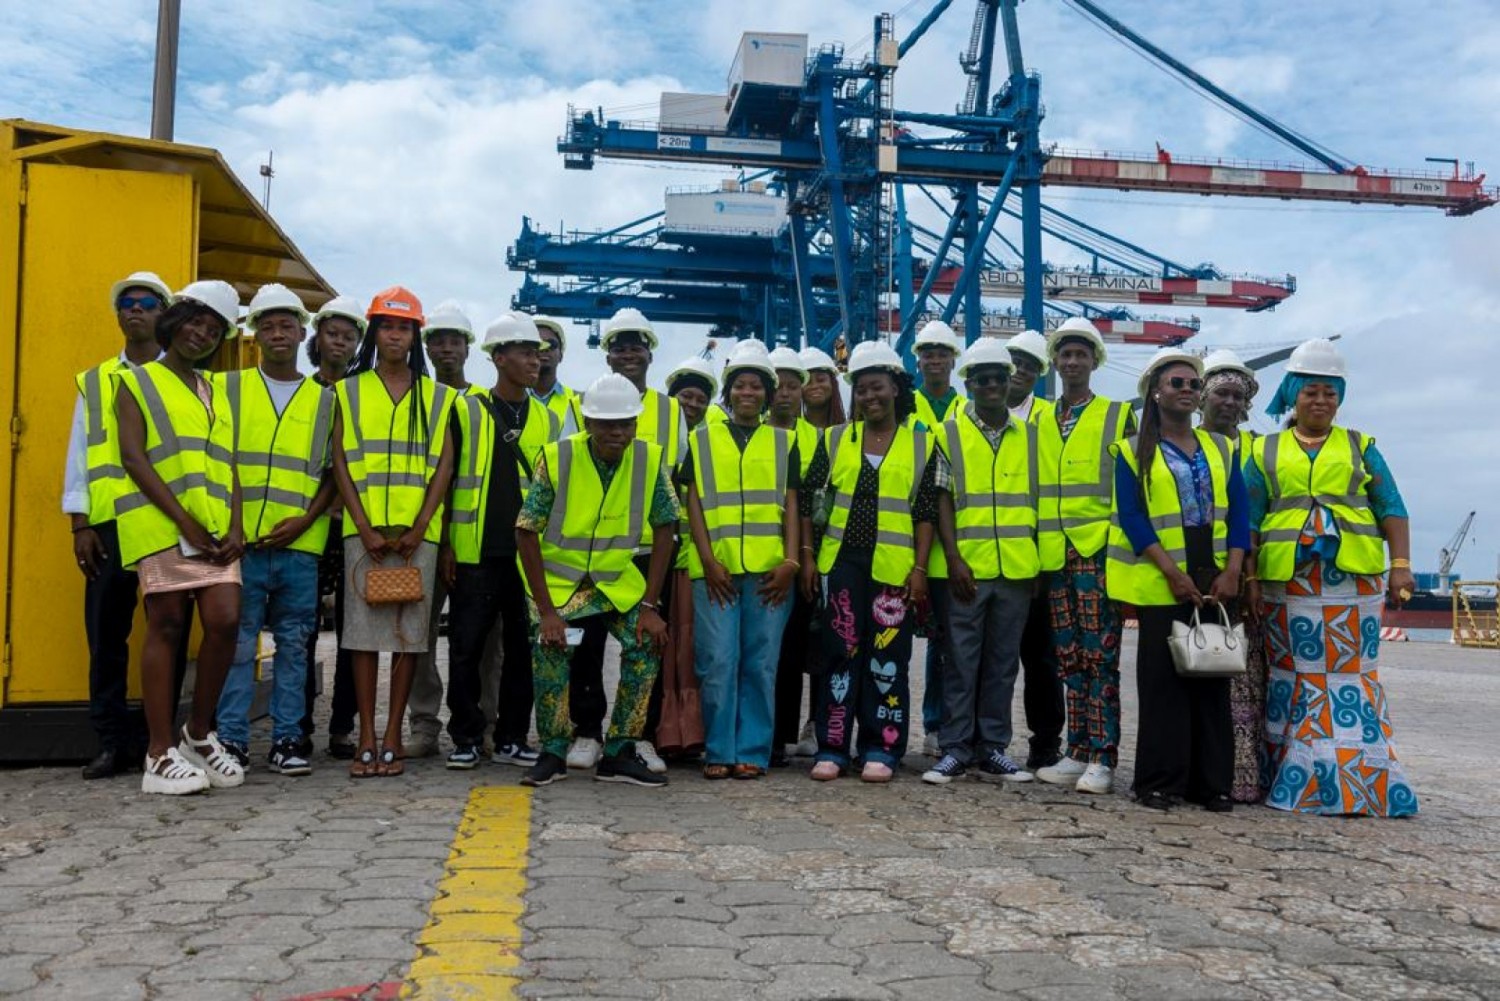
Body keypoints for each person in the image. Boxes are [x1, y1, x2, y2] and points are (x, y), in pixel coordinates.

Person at [1246, 338, 1418, 817]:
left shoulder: (1361, 447)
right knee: (1297, 677)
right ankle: (1296, 779)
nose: (1320, 401)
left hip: (1353, 585)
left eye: (1329, 392)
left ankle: (1360, 784)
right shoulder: (1264, 451)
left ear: (1340, 397)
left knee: (1350, 679)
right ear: (1292, 395)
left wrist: (1400, 568)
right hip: (1289, 585)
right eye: (1310, 392)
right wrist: (1250, 580)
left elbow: (1392, 509)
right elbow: (1249, 519)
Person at [114, 280, 245, 795]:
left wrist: (236, 526)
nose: (201, 334)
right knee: (166, 624)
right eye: (195, 322)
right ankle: (158, 752)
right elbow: (133, 457)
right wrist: (183, 522)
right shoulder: (138, 382)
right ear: (174, 321)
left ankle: (197, 733)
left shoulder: (214, 390)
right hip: (163, 522)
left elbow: (227, 463)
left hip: (214, 529)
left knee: (226, 620)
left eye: (213, 330)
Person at [516, 373, 677, 789]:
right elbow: (526, 531)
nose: (617, 432)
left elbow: (665, 528)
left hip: (613, 582)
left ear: (636, 425)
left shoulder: (648, 459)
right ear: (588, 423)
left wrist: (650, 606)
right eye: (607, 424)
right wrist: (548, 612)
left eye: (625, 423)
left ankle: (620, 750)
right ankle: (553, 750)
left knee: (646, 643)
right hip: (559, 584)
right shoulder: (557, 457)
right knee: (550, 650)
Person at [1108, 348, 1249, 812]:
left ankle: (1212, 784)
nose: (1188, 391)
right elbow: (1133, 517)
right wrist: (1172, 573)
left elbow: (1240, 513)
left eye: (1193, 385)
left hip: (1216, 576)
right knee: (1163, 682)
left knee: (1213, 677)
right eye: (1178, 384)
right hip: (1160, 577)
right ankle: (1159, 781)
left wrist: (1233, 570)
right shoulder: (1131, 452)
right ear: (1155, 392)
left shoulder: (1223, 448)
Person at [801, 341, 941, 783]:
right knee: (840, 654)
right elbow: (808, 501)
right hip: (842, 565)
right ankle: (833, 744)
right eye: (860, 389)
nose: (869, 397)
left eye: (877, 387)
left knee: (888, 659)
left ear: (896, 388)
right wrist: (807, 557)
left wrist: (919, 570)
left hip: (894, 571)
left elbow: (926, 512)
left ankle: (883, 746)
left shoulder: (923, 444)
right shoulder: (835, 439)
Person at [331, 287, 457, 778]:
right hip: (362, 536)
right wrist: (361, 526)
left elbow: (443, 465)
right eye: (387, 325)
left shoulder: (439, 397)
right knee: (362, 640)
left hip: (414, 538)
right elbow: (339, 460)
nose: (395, 334)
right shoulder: (346, 390)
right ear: (374, 332)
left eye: (404, 327)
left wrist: (421, 527)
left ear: (415, 335)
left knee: (407, 639)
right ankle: (365, 735)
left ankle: (392, 736)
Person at [215, 285, 337, 776]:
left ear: (301, 332)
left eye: (287, 325)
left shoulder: (326, 401)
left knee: (294, 645)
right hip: (240, 544)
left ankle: (289, 739)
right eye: (268, 325)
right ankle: (232, 739)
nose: (278, 333)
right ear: (255, 333)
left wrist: (307, 520)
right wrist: (234, 527)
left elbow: (334, 475)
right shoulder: (229, 388)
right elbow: (217, 463)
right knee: (239, 645)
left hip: (300, 546)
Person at [565, 308, 687, 774]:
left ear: (650, 352)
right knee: (587, 645)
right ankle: (587, 731)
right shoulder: (581, 404)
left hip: (642, 553)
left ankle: (638, 736)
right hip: (592, 553)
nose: (628, 351)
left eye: (637, 344)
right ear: (607, 353)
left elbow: (672, 482)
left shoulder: (670, 410)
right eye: (619, 344)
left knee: (645, 645)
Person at [923, 339, 1048, 785]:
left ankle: (993, 747)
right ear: (970, 384)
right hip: (966, 570)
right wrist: (953, 557)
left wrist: (1038, 564)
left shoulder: (1032, 436)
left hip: (1016, 568)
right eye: (984, 379)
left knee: (1002, 662)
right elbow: (940, 500)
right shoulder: (949, 433)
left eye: (1000, 377)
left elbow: (1042, 502)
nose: (993, 385)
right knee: (959, 660)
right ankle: (955, 747)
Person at [441, 313, 559, 769]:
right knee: (466, 647)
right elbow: (447, 478)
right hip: (475, 550)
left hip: (529, 554)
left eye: (538, 353)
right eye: (526, 352)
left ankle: (512, 736)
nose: (535, 361)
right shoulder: (467, 409)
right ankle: (466, 737)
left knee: (523, 649)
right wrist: (448, 544)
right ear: (498, 357)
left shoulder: (549, 420)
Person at [65, 270, 170, 780]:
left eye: (146, 302)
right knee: (106, 638)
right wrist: (79, 523)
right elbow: (79, 456)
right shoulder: (95, 380)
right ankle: (110, 741)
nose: (134, 309)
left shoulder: (182, 379)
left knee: (166, 632)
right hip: (108, 527)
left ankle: (160, 740)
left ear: (162, 314)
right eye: (126, 303)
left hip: (164, 528)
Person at [684, 342, 800, 779]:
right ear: (728, 393)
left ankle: (753, 748)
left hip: (769, 571)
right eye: (740, 386)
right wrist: (708, 559)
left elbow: (791, 503)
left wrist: (790, 561)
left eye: (756, 386)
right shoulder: (700, 439)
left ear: (767, 394)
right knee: (717, 661)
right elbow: (692, 502)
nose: (747, 393)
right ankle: (719, 749)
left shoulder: (784, 442)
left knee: (760, 663)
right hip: (716, 571)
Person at [1034, 318, 1133, 795]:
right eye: (1065, 355)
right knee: (1068, 657)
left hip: (1097, 553)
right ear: (1054, 362)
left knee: (1100, 658)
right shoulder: (1037, 419)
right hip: (1054, 556)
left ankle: (1103, 756)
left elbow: (1133, 489)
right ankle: (1075, 751)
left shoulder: (1118, 416)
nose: (1072, 362)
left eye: (1081, 354)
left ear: (1095, 361)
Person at [407, 300, 482, 758]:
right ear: (427, 347)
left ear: (468, 349)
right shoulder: (415, 398)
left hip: (470, 540)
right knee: (418, 636)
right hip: (425, 535)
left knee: (480, 644)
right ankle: (424, 725)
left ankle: (481, 724)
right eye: (438, 340)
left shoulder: (482, 404)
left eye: (455, 340)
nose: (446, 348)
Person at [1197, 348, 1267, 804]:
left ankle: (1244, 774)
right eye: (1220, 393)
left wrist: (1250, 574)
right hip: (1199, 577)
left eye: (1236, 397)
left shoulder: (1258, 448)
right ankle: (1201, 769)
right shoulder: (1183, 442)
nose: (1229, 404)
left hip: (1248, 581)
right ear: (1202, 398)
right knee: (1199, 671)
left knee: (1247, 677)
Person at [301, 295, 365, 759]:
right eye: (332, 333)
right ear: (317, 337)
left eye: (348, 336)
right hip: (307, 530)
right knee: (301, 630)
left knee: (353, 632)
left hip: (349, 530)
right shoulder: (303, 394)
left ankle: (343, 726)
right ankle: (298, 723)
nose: (339, 342)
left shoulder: (363, 397)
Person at [1005, 329, 1065, 771]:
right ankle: (975, 739)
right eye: (1014, 362)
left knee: (1042, 660)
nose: (1020, 371)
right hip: (987, 555)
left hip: (1036, 557)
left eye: (1029, 365)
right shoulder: (966, 410)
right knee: (986, 659)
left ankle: (1045, 742)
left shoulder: (1049, 417)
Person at [764, 347, 820, 767]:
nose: (785, 393)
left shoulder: (815, 439)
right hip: (761, 556)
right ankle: (768, 734)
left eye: (792, 385)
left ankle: (797, 730)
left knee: (799, 647)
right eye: (777, 386)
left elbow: (812, 505)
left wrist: (804, 557)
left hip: (803, 559)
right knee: (767, 651)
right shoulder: (751, 434)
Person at [531, 315, 583, 434]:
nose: (544, 349)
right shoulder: (510, 399)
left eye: (552, 344)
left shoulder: (579, 403)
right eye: (538, 344)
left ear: (561, 356)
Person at [799, 346, 848, 430]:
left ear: (832, 384)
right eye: (807, 382)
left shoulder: (849, 430)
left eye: (821, 380)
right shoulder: (790, 431)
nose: (814, 386)